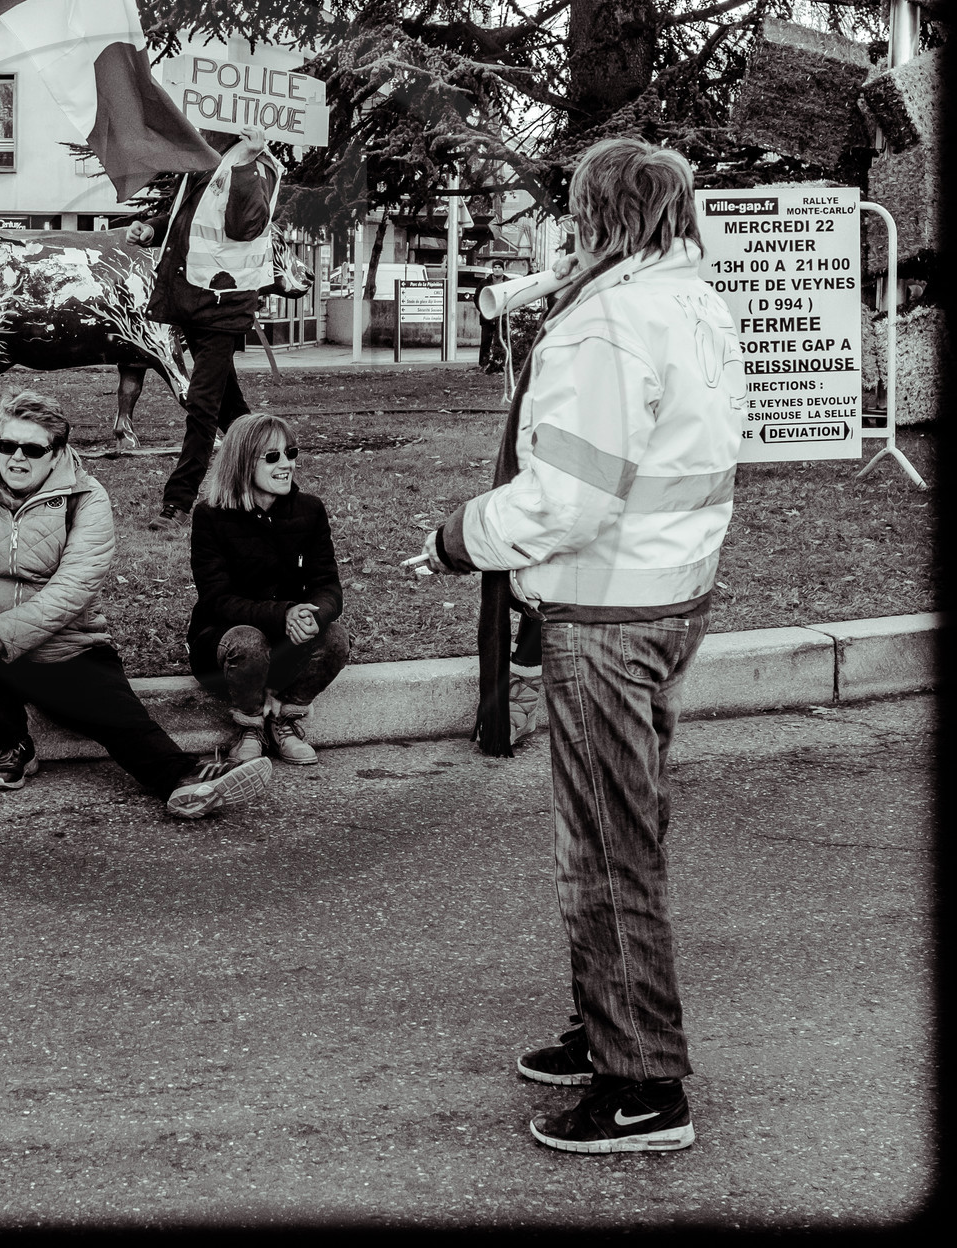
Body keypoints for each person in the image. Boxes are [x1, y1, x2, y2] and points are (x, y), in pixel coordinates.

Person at [411, 136, 744, 1155]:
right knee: (622, 830)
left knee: (606, 849)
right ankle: (607, 1022)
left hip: (605, 615)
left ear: (595, 213)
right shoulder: (690, 300)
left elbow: (565, 499)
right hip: (670, 594)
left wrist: (456, 538)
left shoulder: (606, 325)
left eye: (573, 209)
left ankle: (641, 1081)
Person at [0, 387, 274, 820]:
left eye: (32, 449)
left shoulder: (87, 497)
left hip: (64, 640)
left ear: (58, 453)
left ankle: (182, 780)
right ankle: (12, 744)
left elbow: (72, 590)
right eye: (6, 445)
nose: (16, 458)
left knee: (110, 710)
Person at [127, 128, 280, 527]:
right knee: (231, 408)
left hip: (222, 306)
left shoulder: (255, 165)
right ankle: (272, 466)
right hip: (196, 302)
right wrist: (154, 228)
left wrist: (248, 159)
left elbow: (246, 225)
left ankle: (177, 503)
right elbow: (192, 215)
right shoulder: (209, 160)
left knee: (202, 405)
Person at [188, 413, 349, 765]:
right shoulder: (211, 517)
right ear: (243, 462)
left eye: (290, 453)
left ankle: (284, 719)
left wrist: (313, 614)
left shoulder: (309, 510)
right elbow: (218, 599)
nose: (286, 464)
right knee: (248, 641)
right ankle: (250, 726)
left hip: (284, 646)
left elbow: (327, 584)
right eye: (272, 457)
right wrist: (283, 614)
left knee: (335, 637)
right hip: (226, 644)